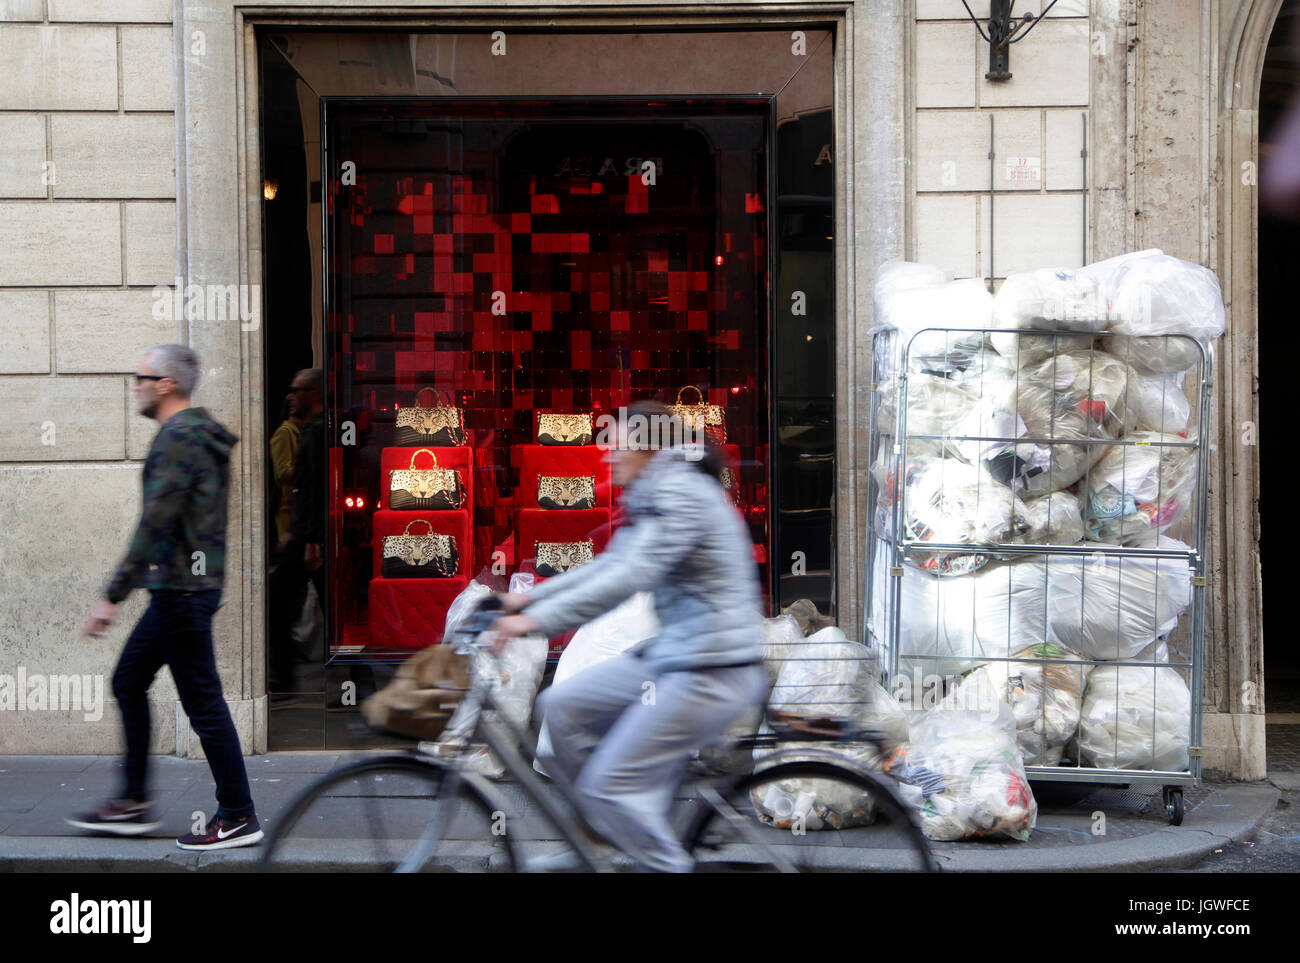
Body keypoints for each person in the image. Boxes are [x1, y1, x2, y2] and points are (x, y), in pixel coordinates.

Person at [490, 400, 768, 873]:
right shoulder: (654, 490)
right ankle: (598, 841)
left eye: (617, 447)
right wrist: (528, 599)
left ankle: (659, 863)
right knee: (558, 708)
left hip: (710, 668)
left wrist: (533, 622)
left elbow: (630, 577)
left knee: (608, 782)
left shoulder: (680, 494)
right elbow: (611, 566)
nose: (607, 456)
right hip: (672, 657)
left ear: (647, 449)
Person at [71, 344, 263, 850]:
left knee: (203, 702)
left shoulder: (179, 439)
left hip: (181, 592)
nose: (134, 385)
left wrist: (111, 595)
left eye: (140, 377)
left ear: (165, 385)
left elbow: (156, 521)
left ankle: (239, 814)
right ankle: (132, 802)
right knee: (129, 680)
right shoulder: (194, 435)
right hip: (181, 590)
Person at [267, 368, 324, 698]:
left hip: (307, 536)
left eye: (297, 389)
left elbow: (310, 487)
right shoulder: (308, 431)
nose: (291, 395)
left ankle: (284, 679)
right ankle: (361, 684)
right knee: (287, 602)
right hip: (305, 534)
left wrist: (309, 538)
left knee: (279, 601)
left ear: (312, 392)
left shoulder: (315, 432)